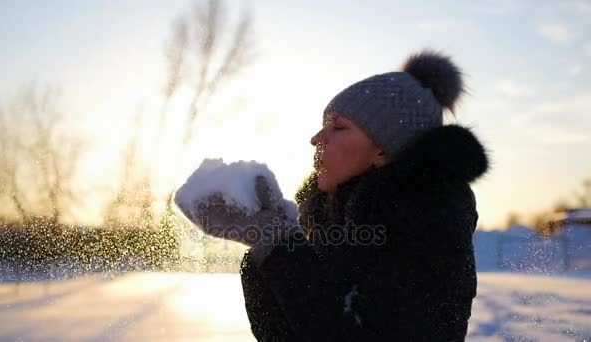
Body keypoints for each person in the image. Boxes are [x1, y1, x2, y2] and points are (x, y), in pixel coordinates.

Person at [177, 50, 490, 341]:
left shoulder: (427, 223)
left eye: (337, 127)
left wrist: (282, 247)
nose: (317, 139)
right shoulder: (336, 219)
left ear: (382, 149)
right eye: (323, 125)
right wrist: (266, 247)